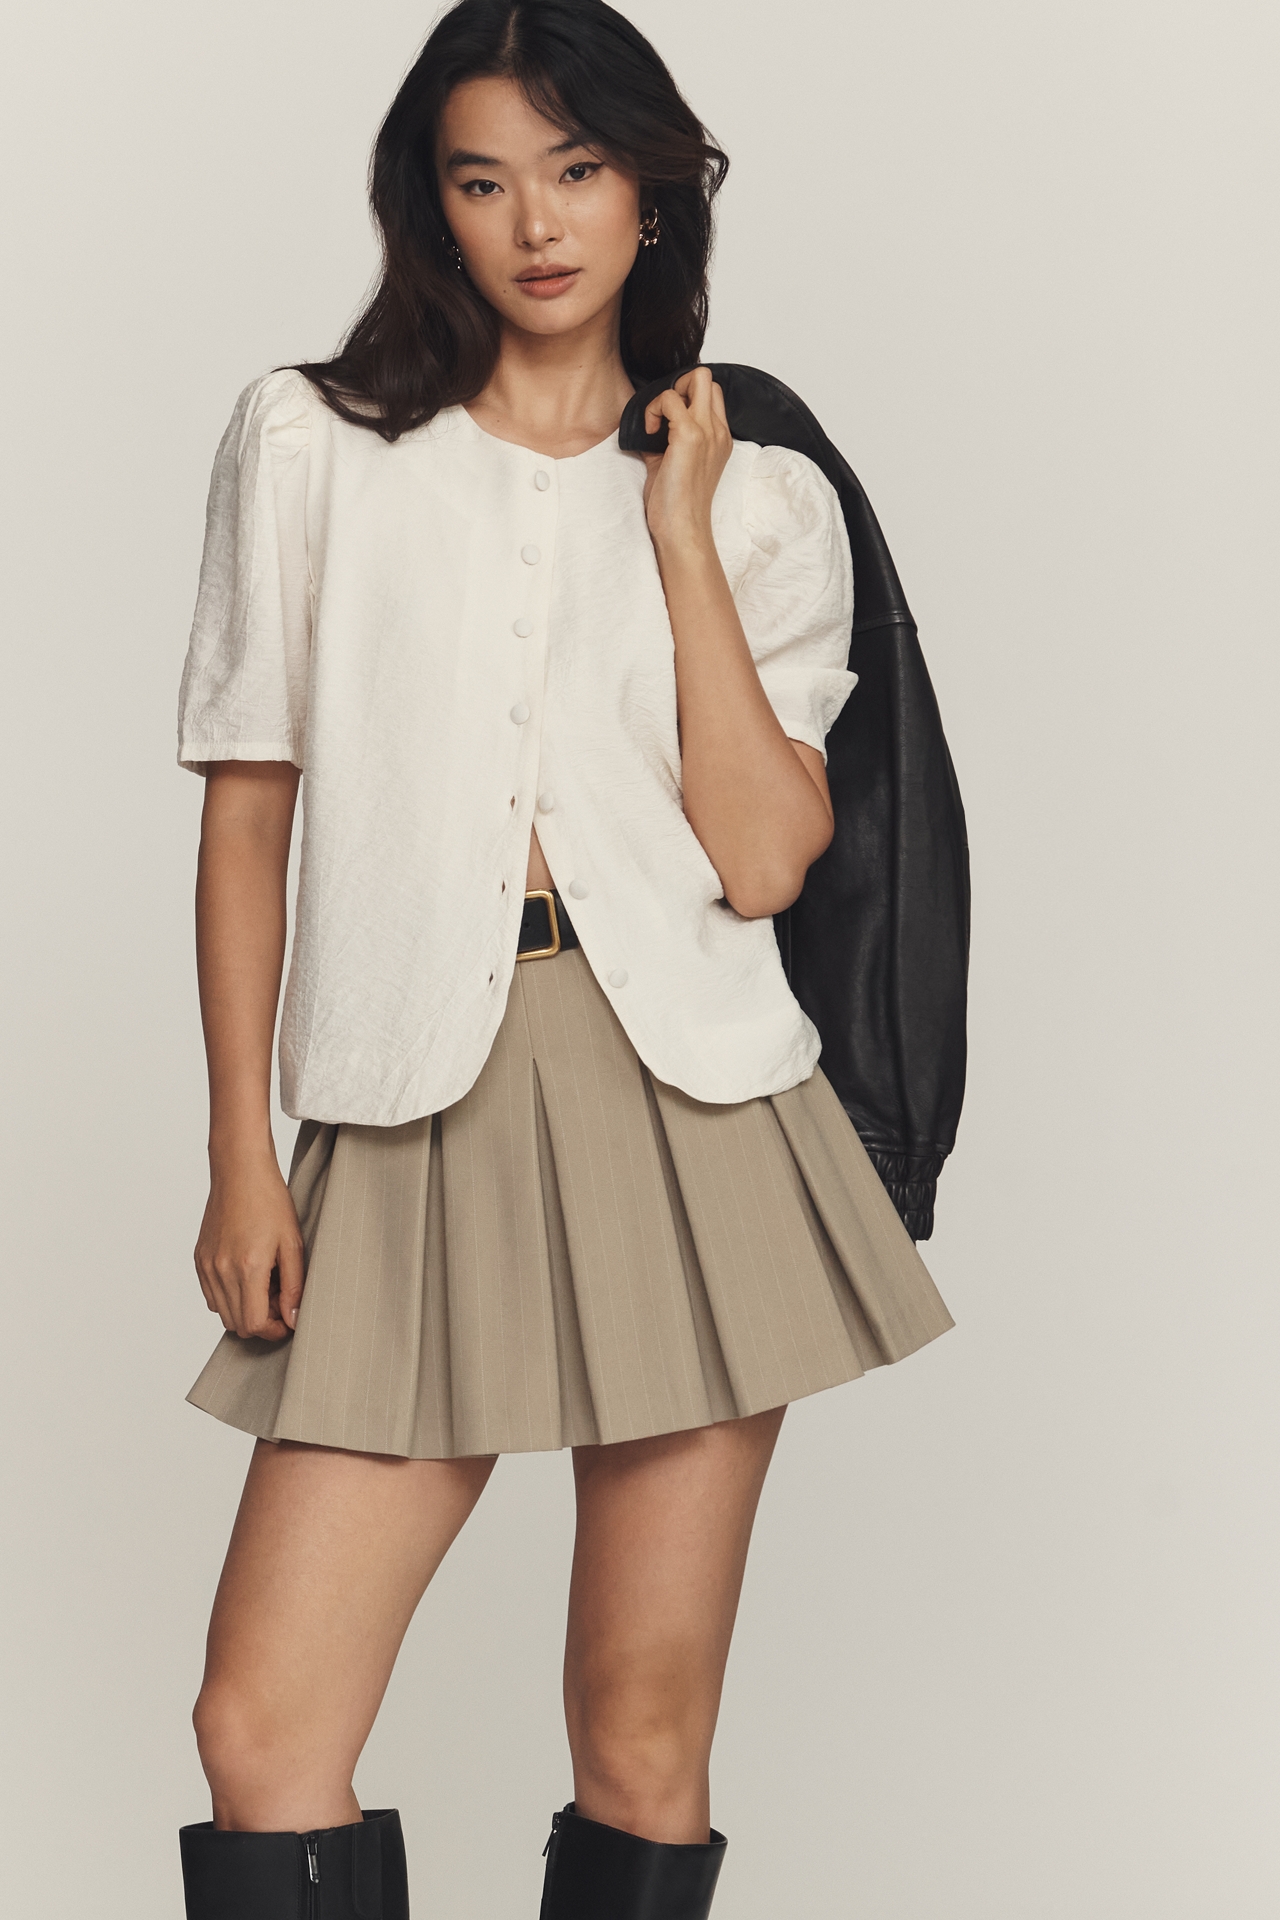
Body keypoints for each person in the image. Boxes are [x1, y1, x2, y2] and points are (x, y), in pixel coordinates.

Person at [174, 2, 954, 1913]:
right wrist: (240, 1153)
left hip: (693, 1105)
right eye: (484, 180)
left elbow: (763, 861)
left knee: (642, 1727)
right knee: (264, 1730)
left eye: (578, 170)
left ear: (653, 192)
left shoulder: (758, 491)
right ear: (428, 207)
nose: (535, 222)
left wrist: (676, 531)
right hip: (411, 1089)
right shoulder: (312, 443)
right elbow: (249, 818)